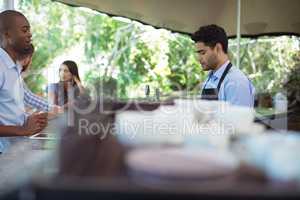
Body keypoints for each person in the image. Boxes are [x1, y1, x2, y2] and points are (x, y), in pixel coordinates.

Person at [0, 10, 47, 152]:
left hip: (13, 152)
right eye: (24, 30)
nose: (30, 34)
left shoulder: (13, 68)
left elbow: (8, 113)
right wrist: (23, 129)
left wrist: (30, 120)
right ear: (7, 34)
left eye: (29, 30)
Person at [191, 24, 255, 107]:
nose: (199, 59)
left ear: (218, 48)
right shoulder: (210, 78)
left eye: (203, 53)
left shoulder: (236, 81)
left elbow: (239, 119)